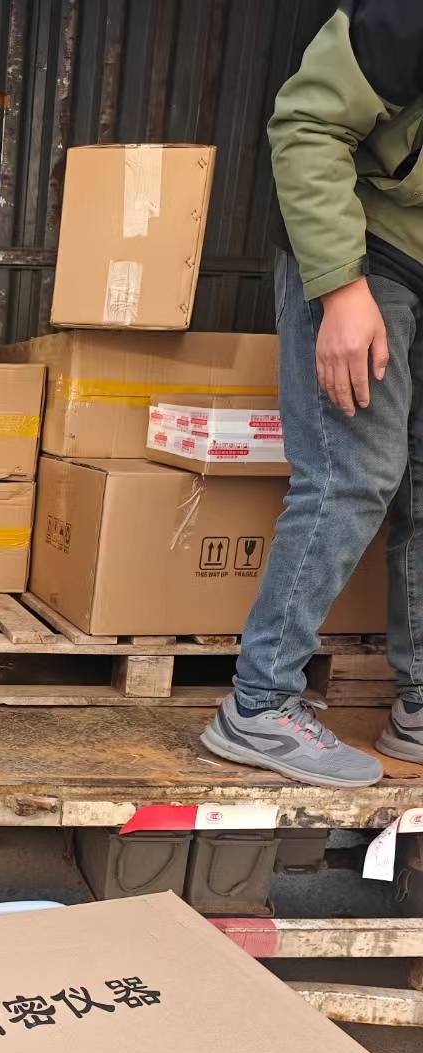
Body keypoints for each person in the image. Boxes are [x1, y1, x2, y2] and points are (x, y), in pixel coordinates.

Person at [201, 0, 423, 787]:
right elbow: (307, 124)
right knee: (350, 476)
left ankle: (418, 708)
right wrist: (340, 288)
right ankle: (258, 705)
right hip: (364, 250)